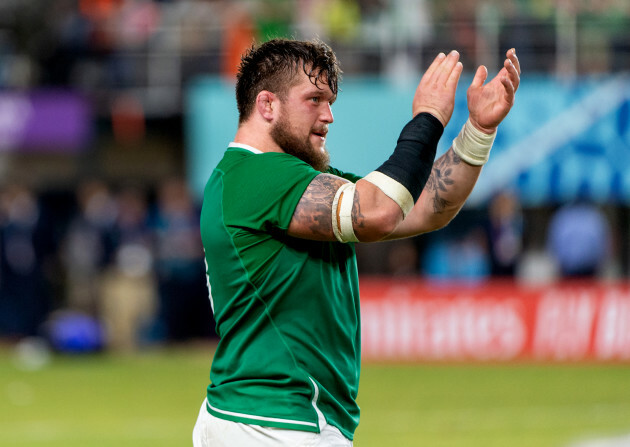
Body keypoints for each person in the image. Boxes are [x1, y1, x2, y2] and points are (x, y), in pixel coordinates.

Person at [193, 38, 520, 446]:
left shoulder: (283, 181)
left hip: (267, 417)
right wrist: (429, 118)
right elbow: (379, 210)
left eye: (330, 101)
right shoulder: (254, 176)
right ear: (267, 105)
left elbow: (424, 208)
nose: (328, 115)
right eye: (314, 99)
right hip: (272, 421)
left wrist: (477, 132)